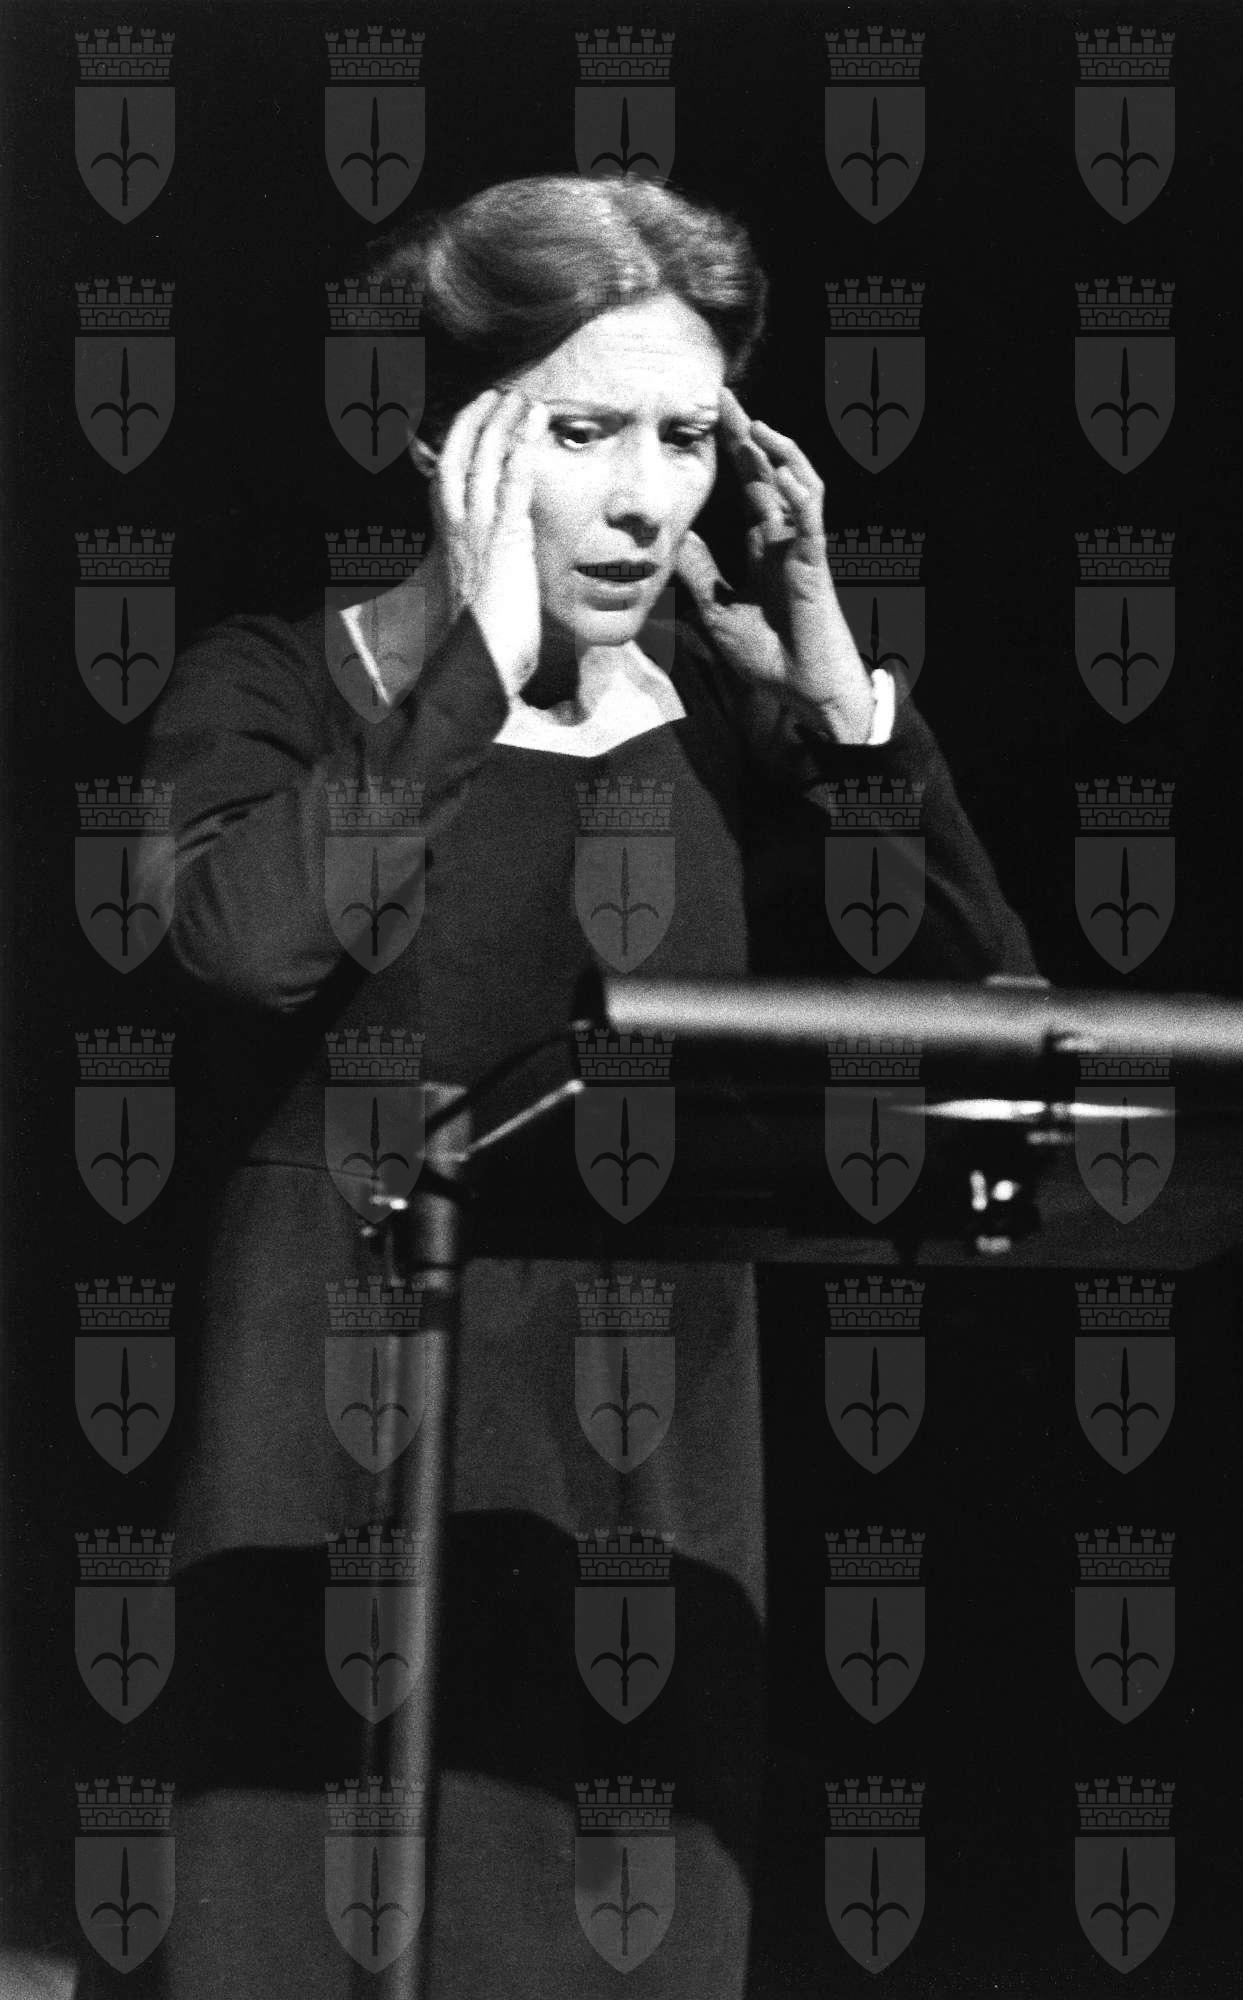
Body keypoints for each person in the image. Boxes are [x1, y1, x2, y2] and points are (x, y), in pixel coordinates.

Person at [137, 174, 1039, 1998]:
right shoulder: (280, 684)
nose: (643, 497)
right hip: (337, 1433)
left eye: (688, 439)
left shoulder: (730, 721)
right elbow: (247, 947)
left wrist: (838, 695)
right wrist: (468, 677)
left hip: (639, 1462)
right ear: (449, 444)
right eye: (582, 433)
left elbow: (986, 1011)